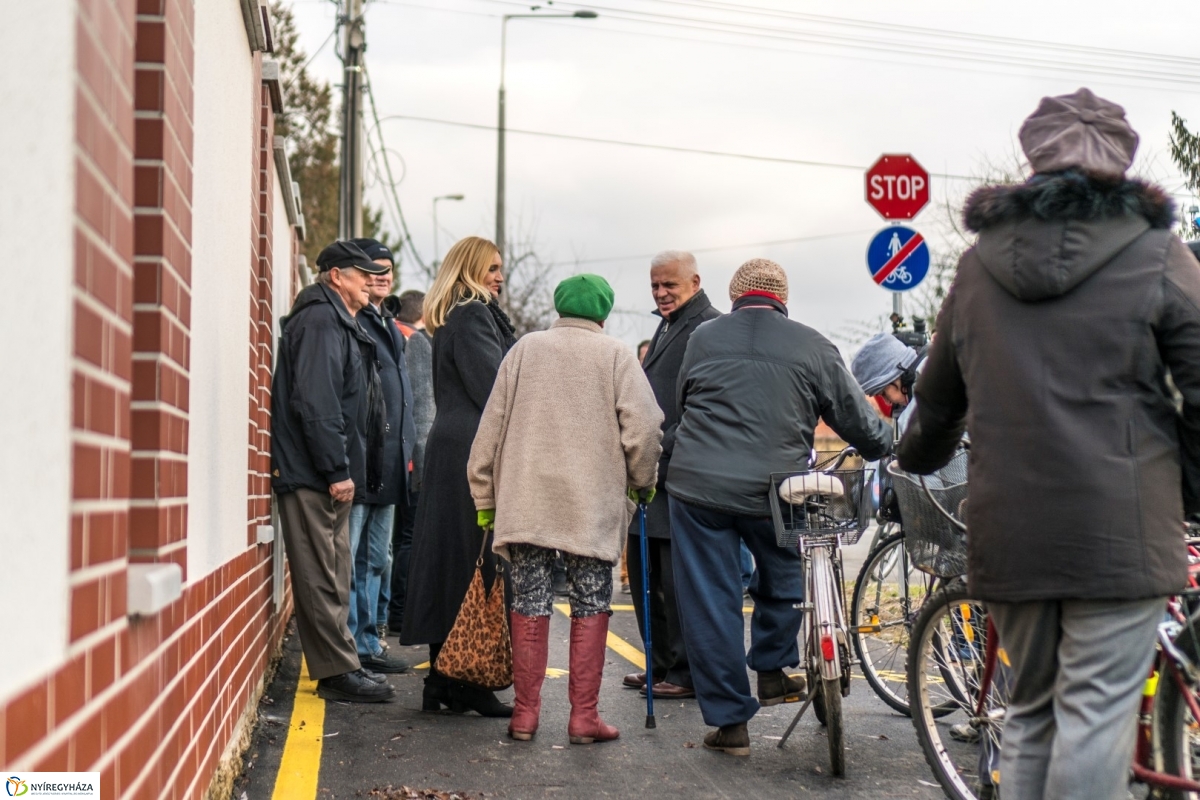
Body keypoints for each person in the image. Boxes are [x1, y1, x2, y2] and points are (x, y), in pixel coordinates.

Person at [897, 88, 1200, 800]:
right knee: (1096, 714)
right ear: (1121, 161)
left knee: (1030, 713)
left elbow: (937, 402)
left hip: (1010, 532)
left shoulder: (976, 269)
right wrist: (1187, 486)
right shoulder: (1161, 255)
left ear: (1034, 159)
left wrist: (915, 459)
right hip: (1123, 530)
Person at [667, 258, 893, 755]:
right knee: (788, 566)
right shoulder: (813, 345)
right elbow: (858, 421)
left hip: (699, 487)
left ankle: (731, 725)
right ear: (782, 300)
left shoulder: (703, 337)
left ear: (734, 298)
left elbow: (683, 403)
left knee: (711, 600)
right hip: (777, 488)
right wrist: (888, 441)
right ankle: (772, 667)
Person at [468, 274, 664, 744]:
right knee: (592, 602)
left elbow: (489, 428)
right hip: (590, 505)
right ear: (603, 311)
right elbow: (645, 427)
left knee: (530, 600)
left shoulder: (524, 351)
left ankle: (525, 715)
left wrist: (484, 496)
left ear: (560, 307)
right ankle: (583, 719)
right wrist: (643, 482)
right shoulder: (616, 355)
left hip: (527, 501)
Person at [270, 240, 396, 703]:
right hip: (314, 473)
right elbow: (317, 403)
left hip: (327, 471)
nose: (370, 279)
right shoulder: (321, 320)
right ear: (335, 275)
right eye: (361, 272)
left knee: (335, 568)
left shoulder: (339, 319)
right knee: (323, 573)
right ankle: (337, 672)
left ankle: (344, 663)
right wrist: (336, 469)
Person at [400, 236, 517, 718]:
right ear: (469, 268)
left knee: (452, 561)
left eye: (500, 268)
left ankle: (444, 680)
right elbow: (494, 385)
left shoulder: (458, 313)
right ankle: (463, 680)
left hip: (457, 447)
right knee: (471, 562)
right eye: (491, 267)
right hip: (471, 449)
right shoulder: (472, 314)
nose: (499, 275)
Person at [624, 250, 720, 701]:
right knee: (648, 575)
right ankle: (659, 664)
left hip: (678, 471)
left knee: (673, 583)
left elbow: (703, 406)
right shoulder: (670, 323)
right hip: (655, 470)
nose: (661, 294)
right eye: (655, 286)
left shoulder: (706, 327)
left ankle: (683, 673)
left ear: (695, 282)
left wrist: (657, 447)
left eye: (670, 286)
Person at [339, 237, 415, 673]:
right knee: (350, 560)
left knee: (377, 559)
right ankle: (349, 648)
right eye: (373, 269)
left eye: (387, 268)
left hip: (390, 465)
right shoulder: (354, 319)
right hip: (361, 461)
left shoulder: (388, 322)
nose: (383, 275)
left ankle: (368, 643)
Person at [382, 289, 434, 634]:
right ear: (424, 313)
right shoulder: (415, 341)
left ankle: (393, 611)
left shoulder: (391, 333)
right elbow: (421, 405)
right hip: (412, 459)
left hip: (395, 457)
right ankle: (399, 613)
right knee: (409, 539)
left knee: (398, 540)